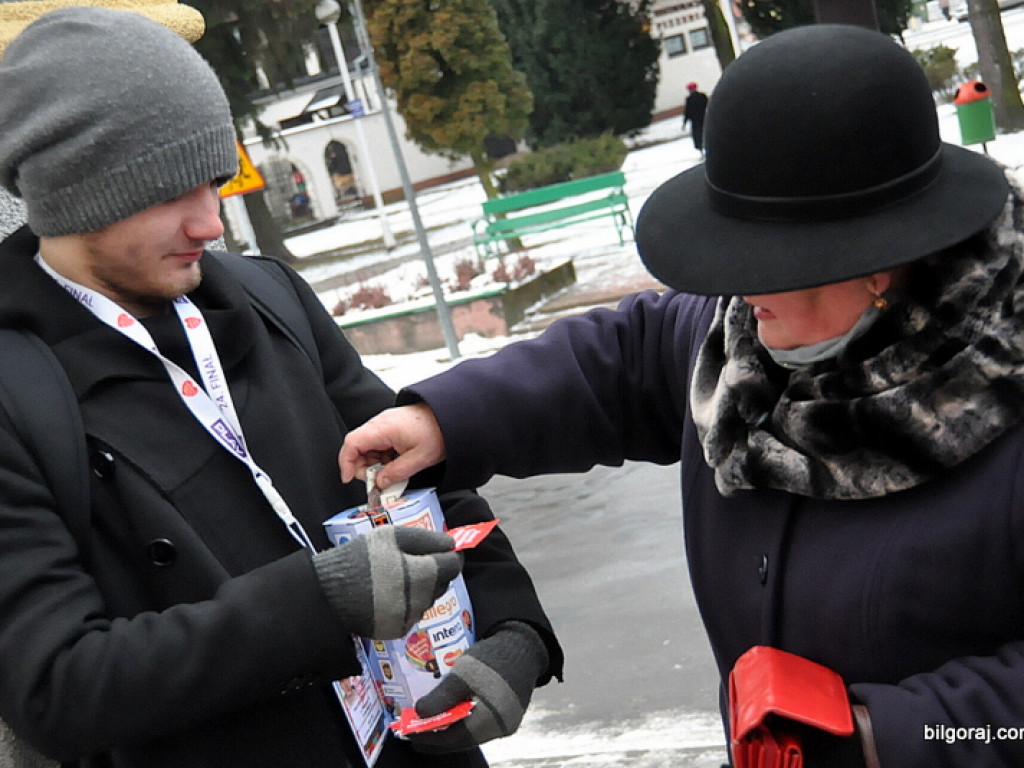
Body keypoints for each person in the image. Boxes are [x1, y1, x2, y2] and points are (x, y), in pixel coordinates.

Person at [341, 24, 1024, 767]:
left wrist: (885, 737)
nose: (735, 283)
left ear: (878, 262)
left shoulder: (1001, 396)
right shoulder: (737, 344)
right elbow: (617, 359)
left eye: (766, 256)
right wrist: (444, 419)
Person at [0, 7, 562, 767]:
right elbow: (53, 687)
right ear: (76, 193)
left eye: (214, 181)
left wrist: (512, 625)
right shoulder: (16, 390)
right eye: (171, 192)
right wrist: (317, 602)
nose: (211, 222)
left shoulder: (266, 297)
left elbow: (415, 479)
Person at [682, 81, 709, 155]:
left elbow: (687, 111)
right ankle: (707, 149)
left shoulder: (689, 99)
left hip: (695, 121)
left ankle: (701, 150)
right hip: (704, 118)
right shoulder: (702, 96)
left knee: (698, 136)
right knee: (706, 134)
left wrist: (685, 122)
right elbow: (709, 106)